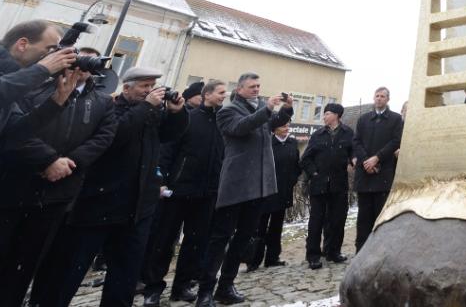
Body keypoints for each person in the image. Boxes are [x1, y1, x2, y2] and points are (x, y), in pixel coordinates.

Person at [0, 65, 116, 306]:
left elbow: (104, 136)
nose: (82, 69)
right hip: (6, 189)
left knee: (19, 270)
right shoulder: (34, 88)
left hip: (53, 196)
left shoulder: (101, 101)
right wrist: (47, 160)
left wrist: (69, 163)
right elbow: (13, 129)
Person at [31, 66, 190, 307]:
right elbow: (115, 137)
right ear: (127, 87)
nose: (150, 91)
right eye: (144, 86)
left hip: (138, 207)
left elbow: (169, 135)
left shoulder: (150, 113)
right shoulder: (110, 107)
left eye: (152, 86)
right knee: (70, 269)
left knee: (124, 275)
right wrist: (146, 106)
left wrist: (177, 113)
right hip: (100, 202)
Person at [0, 20, 77, 214]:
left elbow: (11, 136)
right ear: (22, 44)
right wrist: (39, 71)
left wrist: (56, 102)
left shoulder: (10, 80)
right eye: (50, 50)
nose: (54, 57)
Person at [196, 74, 292, 307]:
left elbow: (271, 123)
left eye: (259, 86)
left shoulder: (260, 107)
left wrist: (286, 110)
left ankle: (226, 286)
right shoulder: (227, 111)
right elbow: (241, 128)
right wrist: (267, 110)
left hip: (259, 184)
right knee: (220, 239)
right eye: (252, 87)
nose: (257, 90)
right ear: (239, 89)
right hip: (236, 183)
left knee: (243, 238)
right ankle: (205, 291)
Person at [140, 79, 228, 305]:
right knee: (164, 240)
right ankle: (153, 288)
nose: (223, 96)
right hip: (177, 190)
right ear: (206, 94)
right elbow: (168, 150)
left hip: (207, 192)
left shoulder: (221, 122)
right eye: (220, 92)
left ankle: (182, 286)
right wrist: (162, 180)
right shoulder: (188, 118)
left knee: (195, 243)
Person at [300, 102, 353, 269]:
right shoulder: (318, 135)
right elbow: (306, 159)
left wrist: (355, 160)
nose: (324, 117)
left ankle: (333, 251)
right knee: (316, 221)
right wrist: (314, 173)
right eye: (324, 114)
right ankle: (313, 255)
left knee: (337, 220)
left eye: (327, 113)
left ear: (337, 115)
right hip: (319, 185)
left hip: (339, 184)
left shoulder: (348, 133)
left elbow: (354, 152)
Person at [351, 87, 403, 253]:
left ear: (388, 99)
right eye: (377, 96)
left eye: (382, 96)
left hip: (383, 174)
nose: (379, 99)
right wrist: (367, 160)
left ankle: (379, 251)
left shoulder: (395, 119)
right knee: (363, 217)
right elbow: (356, 141)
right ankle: (361, 251)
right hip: (365, 174)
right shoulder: (363, 119)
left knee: (380, 216)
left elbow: (395, 142)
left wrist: (377, 158)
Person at [246, 121, 302, 270]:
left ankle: (272, 257)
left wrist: (292, 180)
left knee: (276, 227)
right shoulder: (267, 143)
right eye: (283, 126)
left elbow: (297, 165)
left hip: (283, 192)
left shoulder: (292, 143)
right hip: (266, 193)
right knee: (260, 227)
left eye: (287, 126)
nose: (286, 129)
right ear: (274, 129)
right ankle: (253, 260)